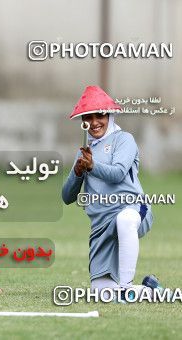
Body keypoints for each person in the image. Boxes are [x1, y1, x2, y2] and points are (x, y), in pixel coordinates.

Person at [62, 85, 166, 299]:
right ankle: (150, 291)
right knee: (103, 294)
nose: (94, 123)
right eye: (88, 118)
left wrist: (92, 166)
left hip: (132, 209)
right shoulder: (83, 153)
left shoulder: (124, 139)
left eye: (99, 115)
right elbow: (67, 197)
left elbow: (118, 173)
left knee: (125, 219)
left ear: (109, 115)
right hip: (101, 227)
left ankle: (127, 284)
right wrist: (77, 171)